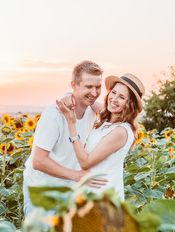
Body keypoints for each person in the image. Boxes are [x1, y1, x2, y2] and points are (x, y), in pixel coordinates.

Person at [23, 61, 107, 217]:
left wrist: (92, 102)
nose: (94, 92)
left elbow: (112, 112)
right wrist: (79, 176)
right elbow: (39, 161)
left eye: (98, 87)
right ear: (73, 85)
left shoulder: (91, 111)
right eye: (88, 87)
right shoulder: (54, 115)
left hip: (68, 192)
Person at [56, 73, 145, 201]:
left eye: (121, 97)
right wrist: (68, 95)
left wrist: (71, 124)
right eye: (113, 92)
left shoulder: (121, 131)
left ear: (129, 104)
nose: (114, 99)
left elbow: (85, 163)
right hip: (91, 194)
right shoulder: (107, 116)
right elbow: (90, 101)